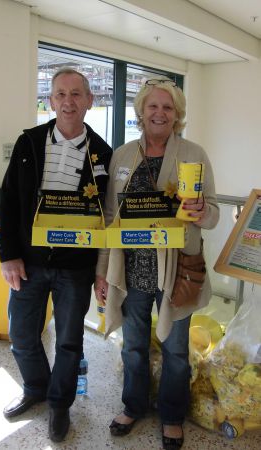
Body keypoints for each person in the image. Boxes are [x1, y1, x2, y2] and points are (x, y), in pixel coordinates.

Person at [94, 77, 219, 449]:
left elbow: (212, 214)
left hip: (176, 270)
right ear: (141, 112)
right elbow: (110, 216)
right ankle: (133, 405)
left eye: (167, 107)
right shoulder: (123, 155)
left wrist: (200, 211)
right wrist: (102, 271)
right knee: (131, 345)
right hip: (131, 269)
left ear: (177, 114)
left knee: (176, 350)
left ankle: (171, 415)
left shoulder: (194, 153)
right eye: (153, 106)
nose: (159, 113)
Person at [0, 68, 112, 442]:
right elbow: (9, 202)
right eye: (60, 94)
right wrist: (8, 255)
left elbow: (106, 218)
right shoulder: (29, 143)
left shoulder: (103, 153)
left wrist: (101, 270)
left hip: (75, 268)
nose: (68, 101)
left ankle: (60, 404)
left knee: (68, 341)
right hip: (28, 262)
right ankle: (35, 388)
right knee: (22, 336)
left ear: (90, 101)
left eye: (76, 94)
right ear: (50, 101)